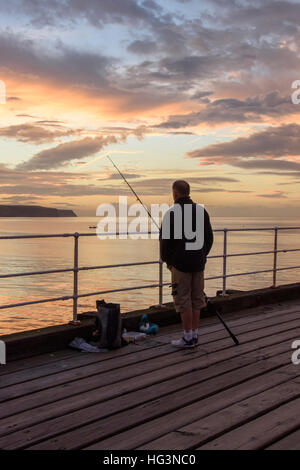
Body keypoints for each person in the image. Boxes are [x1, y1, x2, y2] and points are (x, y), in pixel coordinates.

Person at [160, 180, 213, 348]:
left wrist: (168, 261)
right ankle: (194, 334)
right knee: (197, 298)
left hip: (180, 264)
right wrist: (203, 255)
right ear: (188, 192)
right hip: (198, 262)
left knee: (183, 299)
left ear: (175, 193)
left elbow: (165, 242)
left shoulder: (172, 213)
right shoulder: (201, 211)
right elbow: (209, 238)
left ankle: (187, 336)